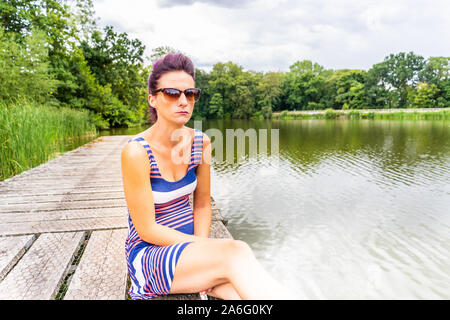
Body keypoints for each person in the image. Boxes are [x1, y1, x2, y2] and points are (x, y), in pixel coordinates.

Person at [121, 53, 297, 300]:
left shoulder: (200, 143)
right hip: (150, 256)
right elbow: (147, 229)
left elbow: (203, 204)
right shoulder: (136, 152)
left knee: (239, 291)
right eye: (172, 93)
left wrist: (199, 253)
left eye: (190, 93)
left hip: (192, 251)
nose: (184, 101)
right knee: (237, 252)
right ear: (153, 99)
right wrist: (202, 247)